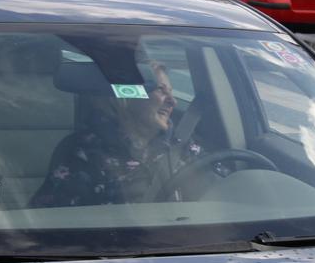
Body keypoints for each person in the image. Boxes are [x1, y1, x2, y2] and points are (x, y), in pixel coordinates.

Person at [31, 60, 203, 207]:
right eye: (160, 90)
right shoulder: (85, 153)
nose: (172, 101)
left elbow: (211, 199)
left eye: (171, 92)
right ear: (126, 96)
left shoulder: (184, 145)